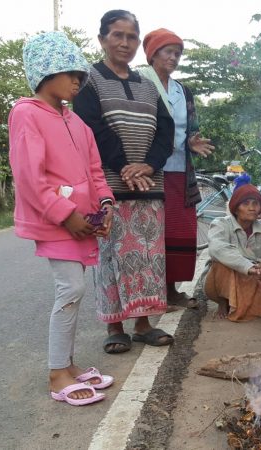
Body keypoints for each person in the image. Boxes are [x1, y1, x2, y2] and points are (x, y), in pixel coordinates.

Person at [9, 31, 116, 405]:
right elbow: (29, 177)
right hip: (55, 221)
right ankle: (57, 374)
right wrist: (64, 215)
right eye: (71, 73)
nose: (78, 81)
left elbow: (95, 169)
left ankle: (67, 365)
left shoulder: (77, 122)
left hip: (81, 221)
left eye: (80, 75)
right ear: (45, 71)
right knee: (70, 289)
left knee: (75, 289)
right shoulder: (26, 113)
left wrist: (106, 204)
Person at [73, 10, 175, 354]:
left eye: (132, 37)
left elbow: (166, 129)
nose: (125, 43)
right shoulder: (88, 80)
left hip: (149, 184)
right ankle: (114, 325)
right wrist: (125, 165)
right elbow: (91, 128)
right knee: (110, 257)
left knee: (148, 256)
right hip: (107, 187)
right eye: (117, 35)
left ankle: (144, 323)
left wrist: (148, 165)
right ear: (102, 39)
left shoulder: (147, 84)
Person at [139, 28, 215, 309]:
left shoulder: (183, 91)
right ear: (152, 54)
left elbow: (191, 129)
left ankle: (171, 291)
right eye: (168, 51)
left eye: (177, 53)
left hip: (180, 173)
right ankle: (150, 292)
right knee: (151, 233)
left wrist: (192, 142)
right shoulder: (140, 85)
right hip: (150, 171)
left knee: (179, 231)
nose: (173, 57)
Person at [204, 177, 261, 321]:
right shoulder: (221, 224)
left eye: (255, 204)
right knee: (220, 263)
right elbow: (217, 248)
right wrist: (248, 267)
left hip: (253, 276)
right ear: (236, 208)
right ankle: (224, 302)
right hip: (229, 276)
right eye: (246, 204)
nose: (252, 208)